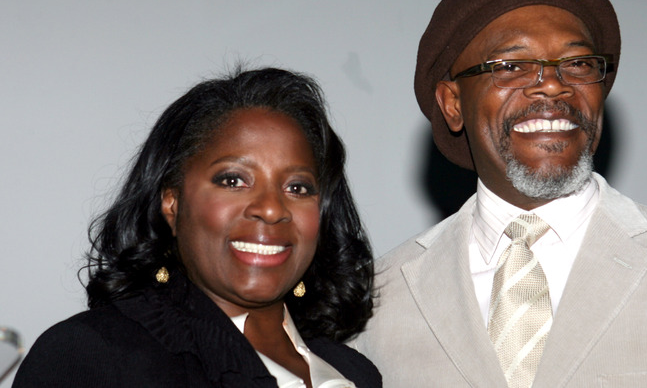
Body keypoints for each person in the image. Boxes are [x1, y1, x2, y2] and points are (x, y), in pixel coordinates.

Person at [352, 0, 647, 387]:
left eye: (578, 64)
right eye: (510, 65)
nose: (554, 85)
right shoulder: (375, 306)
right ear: (452, 103)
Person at [14, 68, 382, 387]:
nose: (271, 209)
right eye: (233, 181)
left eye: (297, 187)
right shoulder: (94, 354)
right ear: (172, 204)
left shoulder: (358, 372)